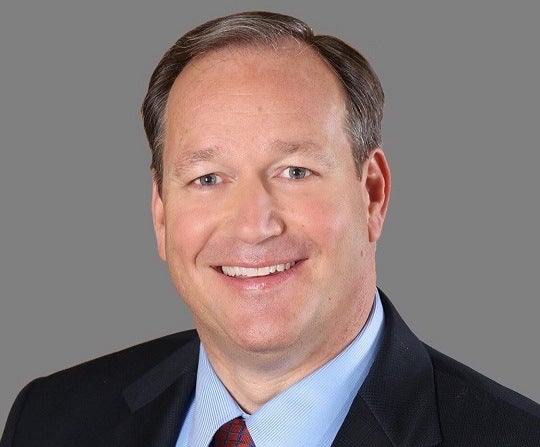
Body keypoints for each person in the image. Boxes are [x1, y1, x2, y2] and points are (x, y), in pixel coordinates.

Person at [1, 10, 539, 447]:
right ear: (161, 213)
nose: (253, 226)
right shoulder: (48, 422)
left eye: (295, 172)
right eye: (207, 178)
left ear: (372, 194)